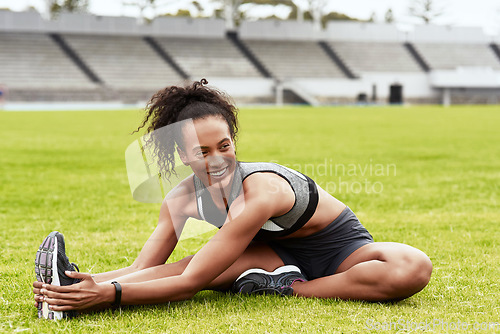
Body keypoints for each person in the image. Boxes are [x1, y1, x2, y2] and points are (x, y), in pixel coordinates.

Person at [33, 79, 432, 320]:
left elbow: (190, 285)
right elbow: (151, 268)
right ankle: (63, 289)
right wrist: (85, 286)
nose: (218, 159)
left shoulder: (263, 190)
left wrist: (109, 295)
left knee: (411, 268)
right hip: (266, 256)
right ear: (182, 155)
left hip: (340, 252)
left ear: (234, 142)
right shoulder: (181, 199)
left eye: (224, 145)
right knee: (191, 266)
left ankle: (288, 289)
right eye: (201, 152)